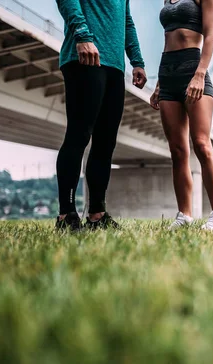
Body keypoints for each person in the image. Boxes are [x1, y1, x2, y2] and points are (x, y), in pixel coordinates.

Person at [55, 0, 147, 231]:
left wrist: (136, 60)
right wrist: (82, 36)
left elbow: (126, 20)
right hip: (84, 57)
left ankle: (97, 215)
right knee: (79, 135)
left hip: (115, 65)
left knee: (106, 142)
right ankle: (66, 214)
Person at [150, 0, 213, 231]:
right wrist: (160, 83)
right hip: (167, 72)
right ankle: (184, 216)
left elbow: (211, 34)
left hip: (193, 68)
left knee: (201, 143)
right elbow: (167, 40)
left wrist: (200, 74)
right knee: (177, 150)